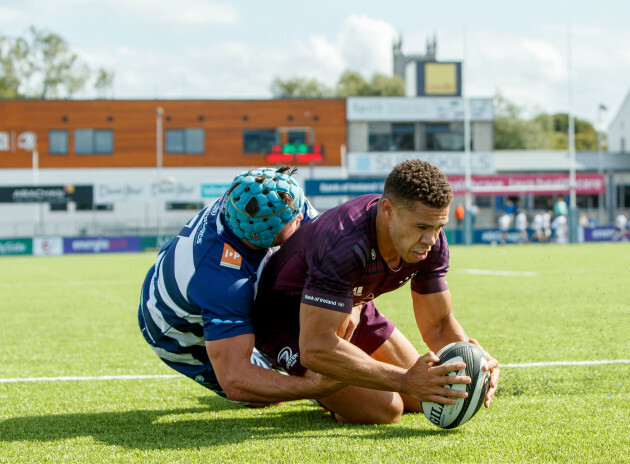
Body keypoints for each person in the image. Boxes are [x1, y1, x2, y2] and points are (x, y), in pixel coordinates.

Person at [251, 160, 500, 424]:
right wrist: (404, 380)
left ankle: (345, 379)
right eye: (422, 227)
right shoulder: (343, 243)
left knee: (423, 397)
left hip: (351, 304)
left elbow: (438, 324)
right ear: (388, 209)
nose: (431, 239)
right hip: (288, 326)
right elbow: (315, 347)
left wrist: (475, 366)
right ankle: (310, 386)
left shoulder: (431, 243)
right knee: (387, 409)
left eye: (439, 227)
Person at [138, 167, 342, 405]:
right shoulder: (221, 280)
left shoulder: (264, 197)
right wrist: (314, 388)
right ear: (265, 239)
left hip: (206, 281)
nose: (301, 217)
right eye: (294, 219)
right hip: (178, 332)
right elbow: (236, 379)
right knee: (265, 395)